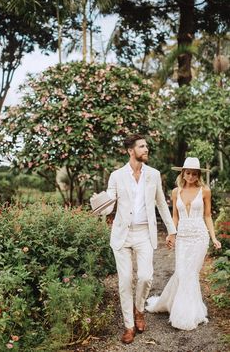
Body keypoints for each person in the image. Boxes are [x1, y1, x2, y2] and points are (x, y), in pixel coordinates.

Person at [91, 134, 176, 344]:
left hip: (144, 233)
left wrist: (171, 230)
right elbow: (110, 204)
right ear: (131, 151)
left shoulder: (154, 175)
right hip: (122, 235)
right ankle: (128, 325)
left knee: (146, 277)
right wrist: (100, 202)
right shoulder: (117, 176)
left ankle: (139, 309)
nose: (146, 149)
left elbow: (161, 204)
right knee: (125, 280)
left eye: (146, 146)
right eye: (142, 146)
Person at [146, 157, 221, 331]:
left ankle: (187, 314)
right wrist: (172, 234)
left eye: (195, 173)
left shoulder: (205, 191)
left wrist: (214, 237)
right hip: (183, 237)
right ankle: (174, 304)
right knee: (181, 272)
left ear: (199, 175)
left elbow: (208, 216)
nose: (191, 176)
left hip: (199, 236)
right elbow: (175, 216)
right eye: (188, 173)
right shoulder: (175, 192)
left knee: (191, 274)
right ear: (183, 173)